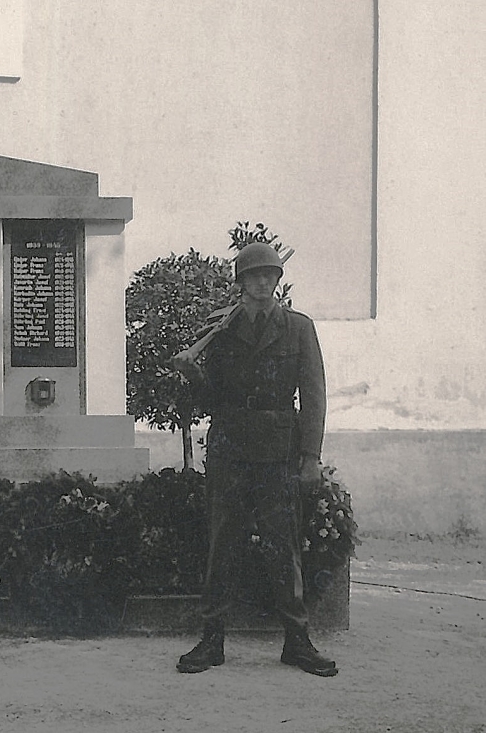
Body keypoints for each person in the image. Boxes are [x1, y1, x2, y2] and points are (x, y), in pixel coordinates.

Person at [171, 241, 337, 677]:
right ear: (241, 282)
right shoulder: (222, 330)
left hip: (279, 452)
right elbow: (212, 399)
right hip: (230, 448)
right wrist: (193, 371)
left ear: (277, 281)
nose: (263, 282)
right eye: (254, 276)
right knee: (221, 545)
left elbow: (314, 396)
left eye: (270, 275)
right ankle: (212, 640)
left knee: (284, 548)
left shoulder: (298, 328)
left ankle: (297, 641)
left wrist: (310, 456)